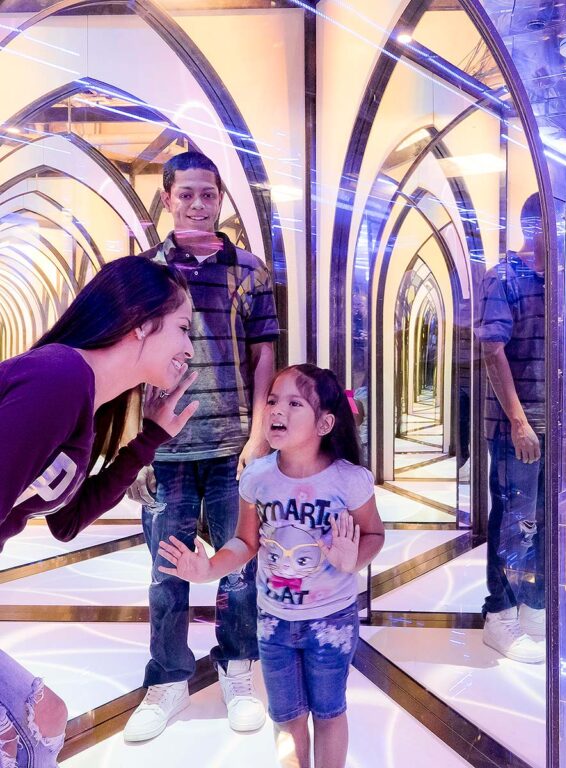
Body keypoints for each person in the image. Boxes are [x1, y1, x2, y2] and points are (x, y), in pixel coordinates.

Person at [0, 256, 198, 768]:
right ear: (140, 324)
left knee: (42, 723)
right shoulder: (58, 379)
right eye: (182, 327)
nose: (189, 348)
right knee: (27, 732)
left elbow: (66, 521)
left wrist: (149, 438)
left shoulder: (84, 399)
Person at [156, 364, 385, 768]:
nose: (277, 410)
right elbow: (245, 542)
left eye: (294, 403)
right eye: (273, 400)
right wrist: (207, 569)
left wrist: (354, 561)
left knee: (329, 713)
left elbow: (374, 535)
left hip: (331, 622)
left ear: (325, 422)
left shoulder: (349, 481)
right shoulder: (258, 478)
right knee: (287, 716)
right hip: (274, 622)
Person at [124, 151, 279, 742]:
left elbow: (264, 353)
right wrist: (135, 448)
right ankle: (167, 680)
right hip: (165, 450)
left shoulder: (250, 271)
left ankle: (237, 669)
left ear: (221, 200)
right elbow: (129, 361)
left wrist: (260, 435)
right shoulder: (146, 273)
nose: (197, 204)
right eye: (185, 193)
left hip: (232, 446)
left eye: (207, 194)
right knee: (167, 576)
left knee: (240, 566)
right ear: (166, 198)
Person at [474, 193, 546, 663]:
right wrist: (519, 422)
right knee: (514, 521)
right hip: (515, 426)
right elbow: (491, 351)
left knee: (538, 522)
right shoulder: (504, 277)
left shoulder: (562, 280)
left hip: (556, 425)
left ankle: (532, 604)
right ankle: (498, 614)